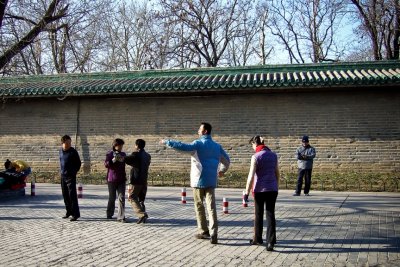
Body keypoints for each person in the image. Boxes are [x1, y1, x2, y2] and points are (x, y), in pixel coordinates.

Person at [160, 122, 230, 245]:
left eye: (200, 129)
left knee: (199, 206)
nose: (198, 131)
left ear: (205, 131)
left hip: (199, 180)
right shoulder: (217, 146)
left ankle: (203, 231)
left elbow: (182, 146)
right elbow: (227, 161)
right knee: (211, 207)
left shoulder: (198, 144)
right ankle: (214, 232)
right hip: (211, 180)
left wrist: (167, 141)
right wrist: (222, 171)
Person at [244, 135, 280, 251]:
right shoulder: (274, 155)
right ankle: (271, 242)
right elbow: (277, 173)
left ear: (256, 144)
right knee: (270, 215)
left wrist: (246, 192)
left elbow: (250, 176)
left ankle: (258, 239)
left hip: (259, 189)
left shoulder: (255, 157)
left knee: (258, 214)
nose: (253, 148)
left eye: (253, 145)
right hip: (272, 189)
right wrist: (276, 186)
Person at [124, 139, 151, 224]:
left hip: (136, 180)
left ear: (136, 145)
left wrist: (119, 156)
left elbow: (126, 160)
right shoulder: (147, 155)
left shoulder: (135, 154)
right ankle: (143, 218)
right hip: (144, 180)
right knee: (141, 199)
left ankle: (141, 214)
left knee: (132, 197)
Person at [59, 135, 82, 221]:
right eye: (67, 143)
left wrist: (73, 172)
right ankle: (68, 212)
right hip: (63, 176)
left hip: (70, 177)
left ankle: (75, 214)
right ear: (63, 143)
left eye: (70, 142)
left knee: (72, 196)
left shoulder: (73, 152)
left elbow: (78, 164)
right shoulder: (60, 151)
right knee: (65, 195)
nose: (69, 144)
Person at [105, 138, 127, 222]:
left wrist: (122, 159)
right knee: (112, 197)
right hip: (112, 179)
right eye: (119, 145)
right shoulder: (110, 154)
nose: (121, 147)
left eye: (122, 145)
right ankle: (109, 213)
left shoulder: (123, 154)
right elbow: (106, 164)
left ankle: (121, 217)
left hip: (121, 179)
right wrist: (113, 160)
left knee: (121, 198)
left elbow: (125, 160)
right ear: (115, 145)